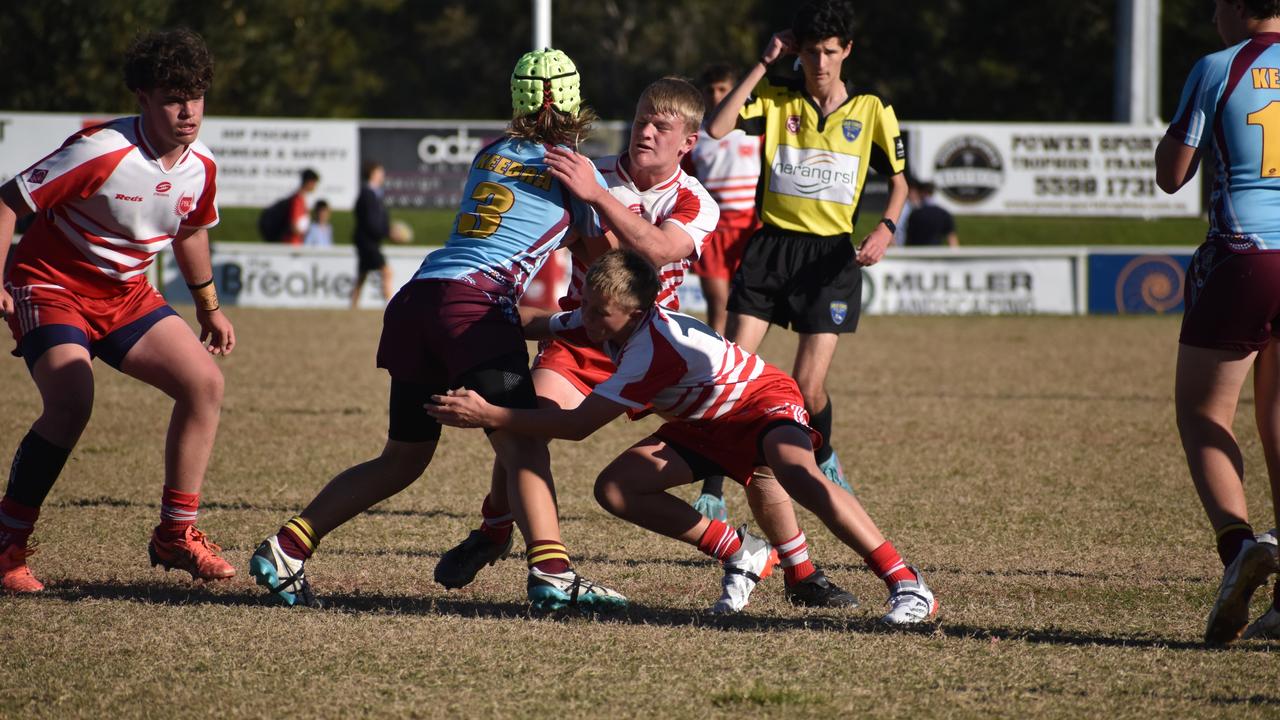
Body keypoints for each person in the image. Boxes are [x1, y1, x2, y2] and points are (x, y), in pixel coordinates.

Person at [249, 48, 628, 611]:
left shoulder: (490, 153)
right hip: (475, 304)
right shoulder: (579, 170)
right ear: (576, 101)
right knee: (525, 445)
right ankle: (554, 577)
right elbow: (609, 265)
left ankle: (285, 549)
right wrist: (602, 201)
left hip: (419, 296)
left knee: (402, 457)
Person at [428, 249, 938, 624]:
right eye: (587, 306)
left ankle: (906, 583)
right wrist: (472, 316)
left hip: (759, 402)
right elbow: (542, 322)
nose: (586, 318)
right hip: (706, 422)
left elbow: (577, 426)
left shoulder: (652, 347)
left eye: (597, 312)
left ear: (634, 311)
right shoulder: (606, 319)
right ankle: (743, 551)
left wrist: (487, 412)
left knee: (797, 474)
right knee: (616, 489)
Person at [0, 28, 237, 593]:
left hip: (125, 294)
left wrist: (209, 307)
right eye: (173, 98)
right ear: (143, 98)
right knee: (72, 400)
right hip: (50, 285)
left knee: (204, 384)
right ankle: (7, 542)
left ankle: (176, 535)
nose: (188, 111)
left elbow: (192, 231)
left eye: (196, 96)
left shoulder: (200, 164)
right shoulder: (101, 150)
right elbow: (8, 200)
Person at [705, 0, 909, 495]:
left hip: (830, 261)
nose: (820, 63)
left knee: (806, 388)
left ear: (847, 51)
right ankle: (712, 486)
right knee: (730, 372)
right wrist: (764, 61)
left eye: (830, 52)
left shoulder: (872, 111)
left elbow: (901, 183)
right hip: (771, 249)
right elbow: (715, 127)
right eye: (812, 51)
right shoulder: (776, 97)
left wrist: (885, 227)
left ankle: (826, 454)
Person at [1156, 0, 1280, 645]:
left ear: (1236, 8)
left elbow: (1171, 176)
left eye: (1214, 8)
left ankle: (1238, 553)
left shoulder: (1220, 67)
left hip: (1246, 257)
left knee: (1203, 415)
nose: (1210, 19)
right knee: (1279, 419)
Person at [349, 161, 392, 308]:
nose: (383, 175)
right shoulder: (367, 194)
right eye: (380, 171)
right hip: (368, 241)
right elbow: (370, 221)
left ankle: (353, 305)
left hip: (368, 240)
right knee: (386, 272)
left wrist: (387, 230)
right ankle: (390, 304)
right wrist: (387, 233)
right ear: (373, 174)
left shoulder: (373, 194)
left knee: (362, 274)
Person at [260, 168, 319, 245]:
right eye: (314, 183)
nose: (315, 186)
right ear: (309, 182)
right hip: (291, 244)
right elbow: (293, 225)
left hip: (293, 243)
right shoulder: (297, 201)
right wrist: (306, 235)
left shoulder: (300, 199)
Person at [903, 181, 958, 247]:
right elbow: (952, 239)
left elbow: (909, 239)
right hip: (936, 252)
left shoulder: (915, 214)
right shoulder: (943, 213)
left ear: (922, 193)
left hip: (918, 252)